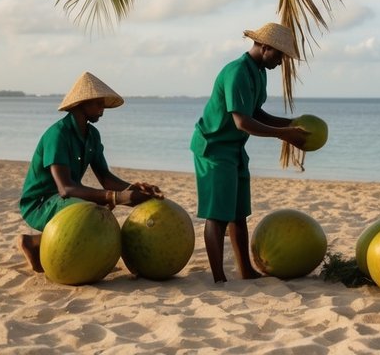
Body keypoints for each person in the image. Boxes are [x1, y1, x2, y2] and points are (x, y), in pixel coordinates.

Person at [190, 22, 310, 283]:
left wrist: (290, 124)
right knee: (217, 214)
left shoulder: (258, 71)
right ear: (265, 47)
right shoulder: (237, 72)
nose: (280, 62)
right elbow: (241, 122)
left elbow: (256, 112)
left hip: (234, 148)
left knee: (238, 213)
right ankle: (219, 278)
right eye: (279, 55)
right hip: (214, 147)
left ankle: (245, 271)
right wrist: (283, 134)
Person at [17, 71, 163, 273]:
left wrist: (136, 190)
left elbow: (105, 178)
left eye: (103, 105)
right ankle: (33, 242)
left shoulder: (92, 135)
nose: (102, 110)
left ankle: (50, 246)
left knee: (102, 205)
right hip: (40, 204)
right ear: (82, 104)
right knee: (94, 210)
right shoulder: (58, 135)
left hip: (65, 199)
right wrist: (115, 197)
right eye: (98, 104)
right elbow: (65, 188)